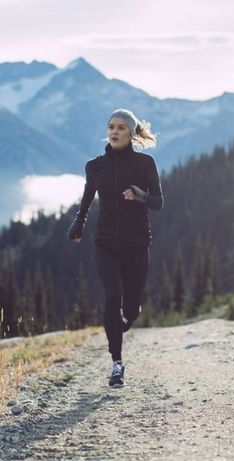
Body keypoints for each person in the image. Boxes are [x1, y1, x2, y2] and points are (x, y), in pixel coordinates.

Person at [67, 108, 164, 388]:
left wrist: (140, 195)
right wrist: (79, 223)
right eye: (111, 126)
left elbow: (158, 202)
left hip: (136, 244)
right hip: (105, 242)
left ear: (131, 133)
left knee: (130, 308)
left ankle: (120, 322)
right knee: (112, 296)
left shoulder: (145, 164)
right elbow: (86, 200)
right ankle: (117, 364)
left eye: (121, 127)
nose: (114, 131)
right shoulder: (95, 166)